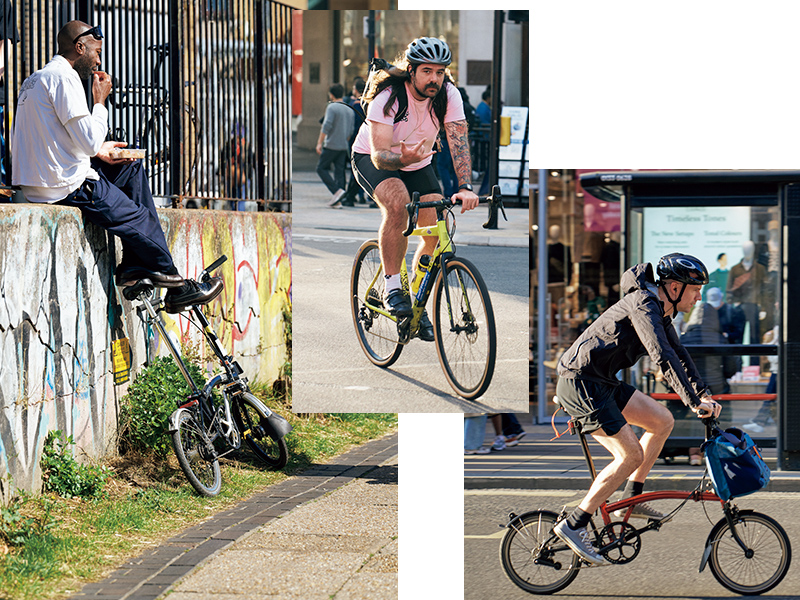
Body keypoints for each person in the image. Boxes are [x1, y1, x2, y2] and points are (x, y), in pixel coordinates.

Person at [10, 21, 221, 313]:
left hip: (41, 180)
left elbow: (59, 136)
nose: (98, 60)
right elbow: (88, 139)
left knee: (130, 168)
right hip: (67, 185)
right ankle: (177, 287)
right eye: (96, 52)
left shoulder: (36, 78)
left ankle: (134, 266)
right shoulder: (65, 79)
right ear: (79, 48)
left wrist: (101, 150)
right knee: (141, 220)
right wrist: (100, 102)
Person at [553, 253, 722, 566]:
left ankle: (630, 497)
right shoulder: (644, 304)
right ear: (673, 287)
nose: (699, 296)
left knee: (662, 421)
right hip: (580, 382)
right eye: (695, 288)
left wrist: (703, 394)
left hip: (602, 381)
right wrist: (694, 402)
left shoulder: (661, 311)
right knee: (630, 455)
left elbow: (679, 353)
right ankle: (574, 523)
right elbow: (661, 356)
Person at [351, 37, 479, 342]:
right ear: (411, 70)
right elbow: (379, 155)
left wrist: (465, 186)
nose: (434, 78)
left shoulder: (449, 95)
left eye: (440, 72)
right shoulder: (389, 96)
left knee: (438, 223)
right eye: (427, 71)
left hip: (418, 162)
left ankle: (417, 294)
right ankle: (394, 287)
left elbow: (458, 141)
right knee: (398, 205)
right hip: (377, 159)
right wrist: (402, 157)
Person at [316, 83, 354, 208]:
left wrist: (319, 143)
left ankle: (336, 191)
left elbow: (326, 126)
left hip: (331, 144)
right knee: (340, 171)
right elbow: (350, 130)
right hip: (343, 145)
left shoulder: (332, 107)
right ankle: (339, 200)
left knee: (321, 168)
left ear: (331, 94)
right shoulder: (349, 108)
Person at [219, 121, 255, 211]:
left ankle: (239, 216)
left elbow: (251, 161)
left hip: (243, 177)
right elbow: (223, 160)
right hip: (231, 176)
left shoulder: (246, 146)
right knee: (231, 199)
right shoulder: (229, 145)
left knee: (241, 199)